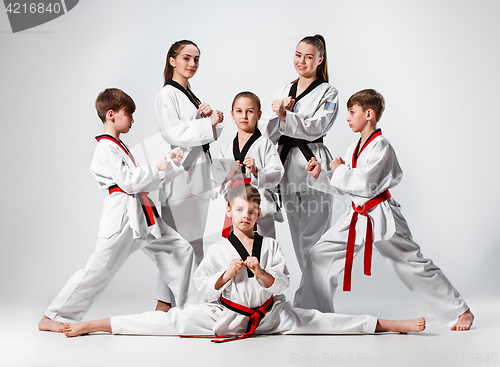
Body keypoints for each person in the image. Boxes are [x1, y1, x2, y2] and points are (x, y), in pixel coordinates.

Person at [62, 184, 426, 339]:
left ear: (257, 215)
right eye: (240, 210)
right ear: (229, 211)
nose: (247, 216)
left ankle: (397, 325)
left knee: (323, 322)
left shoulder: (268, 245)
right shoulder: (218, 248)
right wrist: (225, 276)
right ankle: (93, 325)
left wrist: (261, 273)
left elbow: (282, 282)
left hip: (269, 316)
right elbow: (203, 288)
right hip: (223, 317)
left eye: (252, 212)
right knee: (167, 322)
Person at [298, 89, 473, 331]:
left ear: (369, 114)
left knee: (411, 264)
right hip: (357, 214)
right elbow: (346, 185)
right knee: (319, 255)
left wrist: (338, 170)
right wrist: (321, 176)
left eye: (352, 112)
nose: (347, 118)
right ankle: (314, 314)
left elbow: (366, 184)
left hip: (380, 215)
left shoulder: (381, 146)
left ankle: (459, 311)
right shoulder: (354, 148)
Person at [38, 88, 201, 333]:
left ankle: (193, 311)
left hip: (142, 213)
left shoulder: (120, 146)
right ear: (111, 115)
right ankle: (53, 316)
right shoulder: (105, 147)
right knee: (100, 268)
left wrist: (172, 164)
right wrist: (157, 164)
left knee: (180, 251)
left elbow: (142, 180)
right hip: (123, 214)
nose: (133, 120)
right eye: (130, 115)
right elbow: (128, 181)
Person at [258, 35, 338, 292]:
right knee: (297, 238)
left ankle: (320, 300)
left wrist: (286, 115)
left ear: (320, 60)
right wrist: (279, 113)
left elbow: (317, 127)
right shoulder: (284, 90)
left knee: (313, 238)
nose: (302, 61)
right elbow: (267, 132)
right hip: (287, 169)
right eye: (298, 55)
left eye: (309, 56)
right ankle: (309, 296)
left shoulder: (328, 91)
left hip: (313, 164)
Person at [154, 40, 224, 311]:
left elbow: (202, 132)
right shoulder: (167, 95)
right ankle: (185, 305)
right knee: (184, 244)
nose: (192, 64)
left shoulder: (189, 94)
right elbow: (174, 134)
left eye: (196, 59)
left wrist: (210, 118)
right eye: (186, 58)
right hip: (183, 174)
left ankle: (167, 305)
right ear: (172, 60)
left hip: (197, 171)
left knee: (185, 242)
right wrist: (207, 122)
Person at [218, 91, 284, 239]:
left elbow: (278, 173)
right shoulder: (226, 148)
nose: (244, 116)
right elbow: (217, 179)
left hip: (261, 208)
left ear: (259, 115)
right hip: (236, 208)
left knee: (264, 251)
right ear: (232, 114)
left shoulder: (265, 143)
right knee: (236, 254)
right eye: (239, 111)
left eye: (250, 111)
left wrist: (256, 171)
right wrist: (229, 174)